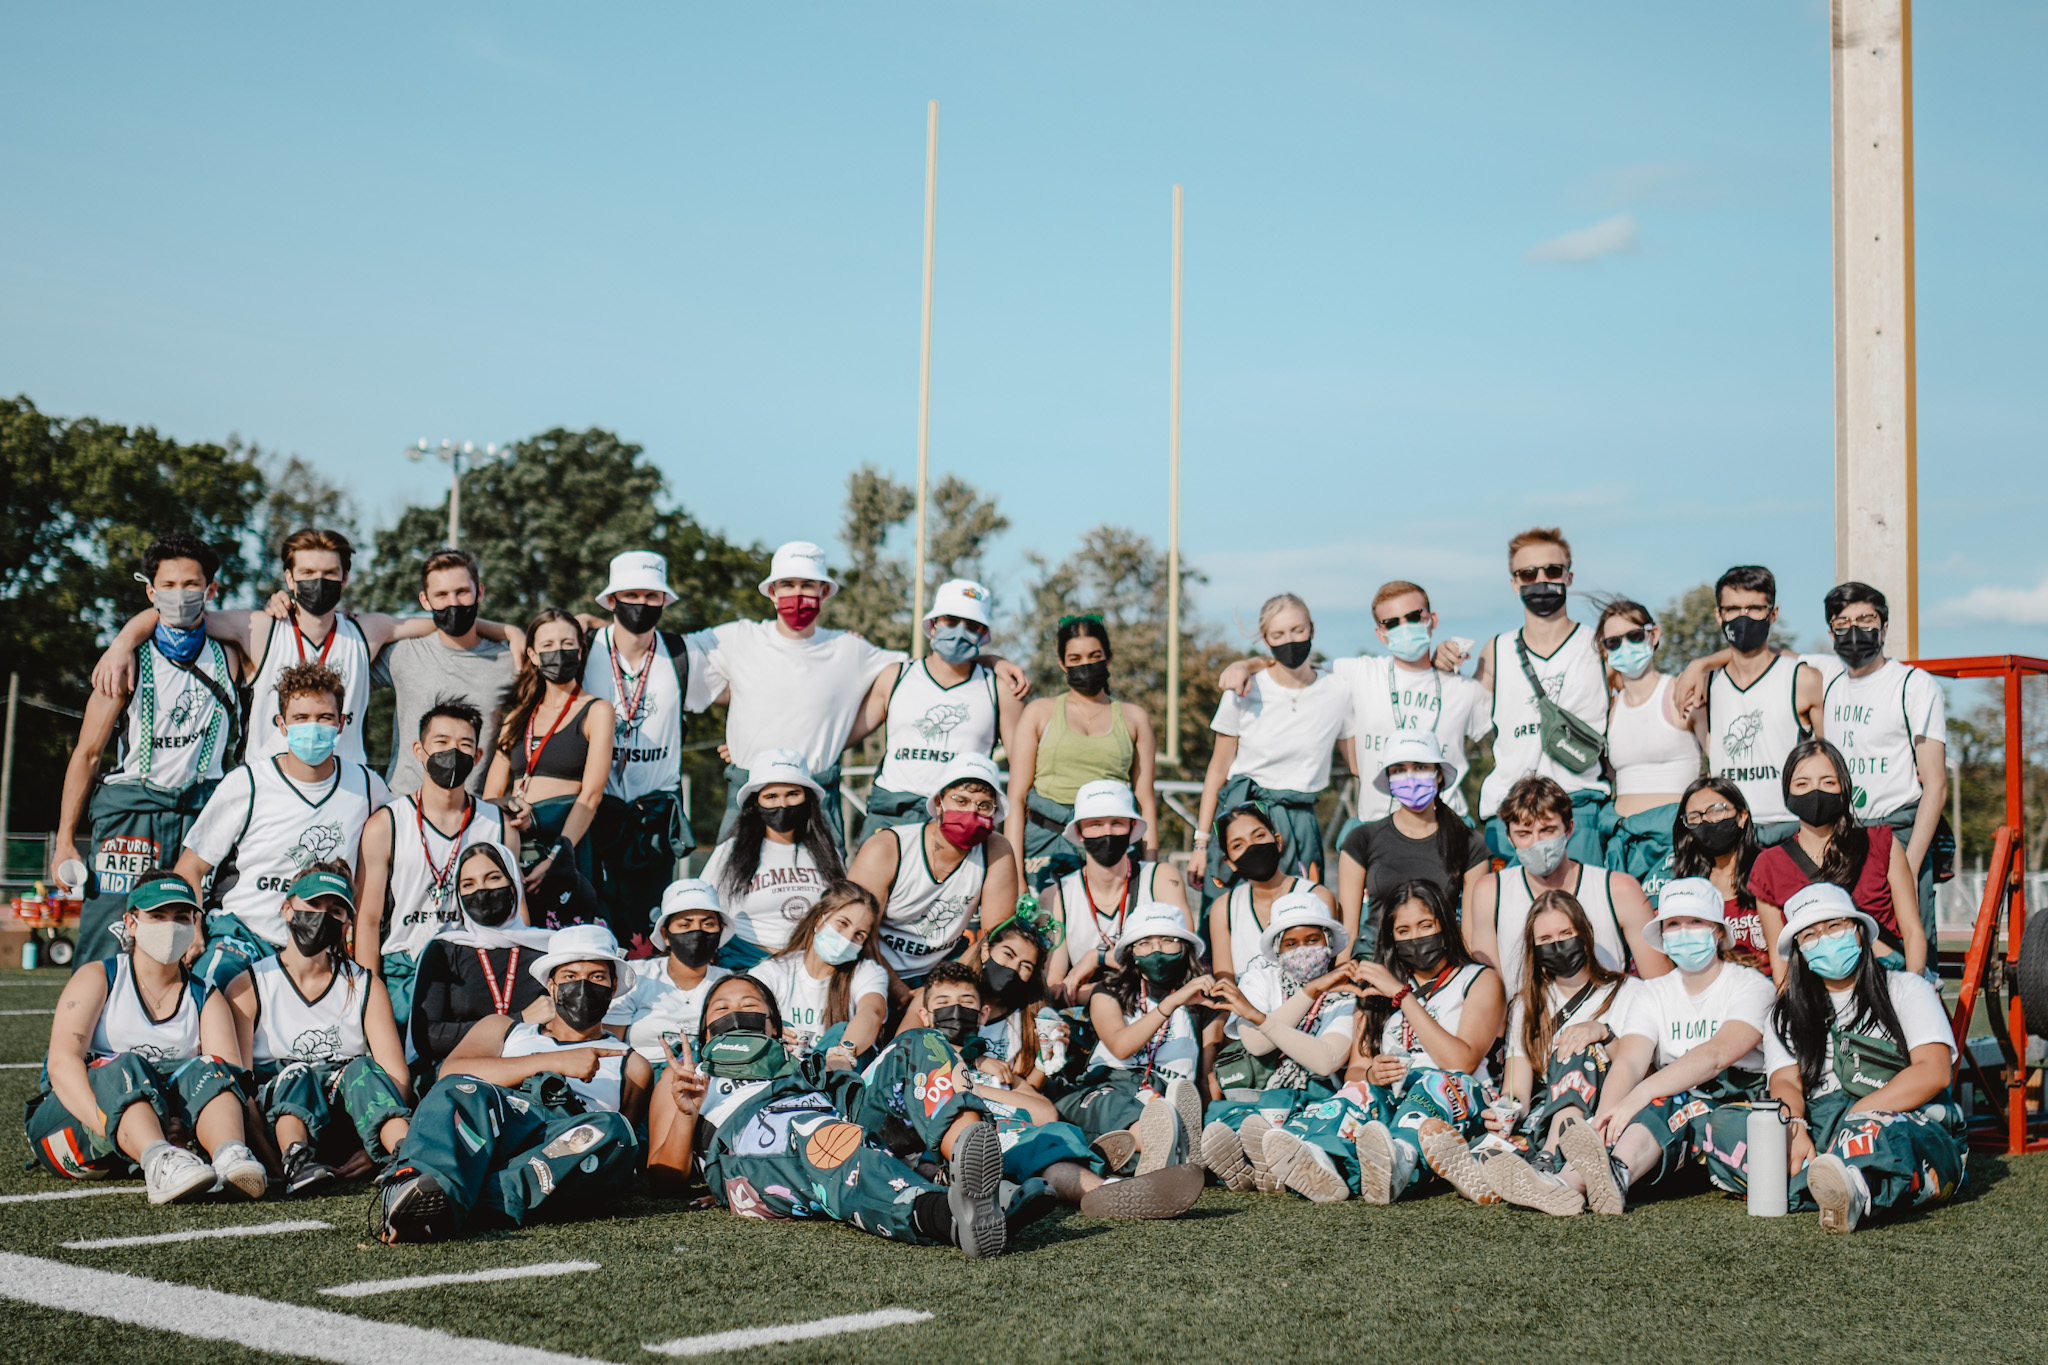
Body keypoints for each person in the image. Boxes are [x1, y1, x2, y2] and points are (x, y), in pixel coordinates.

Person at [644, 973, 1020, 1257]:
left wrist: (824, 1064)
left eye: (750, 1006)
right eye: (722, 1009)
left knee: (922, 1041)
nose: (737, 1013)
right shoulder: (688, 1077)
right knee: (823, 1134)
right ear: (705, 1032)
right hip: (763, 1142)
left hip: (836, 1123)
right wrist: (686, 1113)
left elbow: (855, 1099)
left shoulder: (802, 1063)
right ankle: (945, 1214)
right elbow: (664, 1180)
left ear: (775, 1025)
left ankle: (968, 1171)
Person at [689, 542, 1023, 852]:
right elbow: (672, 658)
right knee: (729, 891)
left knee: (830, 898)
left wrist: (992, 661)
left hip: (819, 794)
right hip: (751, 789)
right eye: (788, 585)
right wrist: (751, 742)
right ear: (772, 591)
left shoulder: (852, 650)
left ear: (824, 591)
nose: (798, 594)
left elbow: (937, 667)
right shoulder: (736, 638)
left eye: (807, 586)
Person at [1696, 883, 1965, 1233]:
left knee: (1877, 1136)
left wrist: (1857, 1118)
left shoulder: (1905, 988)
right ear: (1799, 952)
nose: (1824, 939)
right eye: (1809, 935)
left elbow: (1934, 1072)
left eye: (1834, 926)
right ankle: (1827, 1179)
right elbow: (1785, 1081)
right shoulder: (1785, 1013)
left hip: (1901, 1120)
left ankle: (1848, 1188)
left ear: (1858, 932)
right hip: (1820, 1123)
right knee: (1726, 1124)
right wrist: (1792, 1124)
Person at [371, 924, 648, 1242]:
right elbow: (452, 1074)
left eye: (597, 977)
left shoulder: (632, 1063)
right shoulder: (504, 1028)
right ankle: (422, 1192)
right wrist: (552, 1062)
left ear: (613, 986)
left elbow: (616, 1152)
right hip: (501, 1119)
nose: (583, 986)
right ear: (552, 985)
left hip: (557, 1147)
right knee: (462, 1089)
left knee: (615, 1131)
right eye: (570, 976)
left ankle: (442, 1200)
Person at [90, 527, 454, 769]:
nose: (318, 582)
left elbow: (447, 620)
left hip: (346, 789)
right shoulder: (260, 628)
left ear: (345, 578)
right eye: (308, 574)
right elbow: (176, 612)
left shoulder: (366, 630)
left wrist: (506, 631)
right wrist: (121, 644)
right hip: (268, 790)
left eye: (329, 574)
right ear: (290, 578)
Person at [53, 533, 246, 964]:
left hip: (203, 814)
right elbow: (86, 754)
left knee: (196, 941)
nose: (180, 595)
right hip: (130, 811)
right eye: (169, 585)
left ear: (211, 590)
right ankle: (89, 1029)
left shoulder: (233, 655)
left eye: (192, 585)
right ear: (150, 591)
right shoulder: (124, 663)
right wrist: (65, 839)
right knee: (112, 935)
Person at [881, 961, 1203, 1218]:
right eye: (943, 1002)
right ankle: (1118, 1182)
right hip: (964, 1153)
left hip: (1019, 1141)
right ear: (925, 1015)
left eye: (966, 1001)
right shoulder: (917, 1063)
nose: (955, 1009)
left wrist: (978, 1080)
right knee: (1045, 1151)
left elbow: (1044, 1112)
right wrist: (970, 1088)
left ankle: (1117, 1189)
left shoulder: (997, 1067)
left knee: (1051, 1140)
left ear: (982, 1015)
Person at [26, 873, 268, 1202]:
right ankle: (158, 1158)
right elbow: (61, 1066)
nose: (170, 926)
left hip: (172, 1134)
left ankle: (230, 1156)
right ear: (131, 922)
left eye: (181, 917)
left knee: (215, 1068)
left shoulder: (204, 996)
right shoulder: (99, 976)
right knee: (126, 1065)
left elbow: (229, 1080)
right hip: (79, 1128)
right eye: (157, 915)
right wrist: (108, 1125)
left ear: (195, 922)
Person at [1544, 878, 1777, 1215]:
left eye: (1695, 922)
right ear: (1663, 936)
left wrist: (1636, 1098)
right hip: (1672, 1112)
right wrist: (1606, 1120)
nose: (1684, 931)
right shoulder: (1652, 993)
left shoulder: (1751, 986)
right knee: (1664, 1099)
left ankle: (1582, 1180)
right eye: (1673, 924)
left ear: (1718, 931)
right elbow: (1629, 1063)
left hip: (1736, 1103)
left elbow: (1716, 1056)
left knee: (1668, 1098)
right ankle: (1591, 1174)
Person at [178, 663, 390, 988]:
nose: (313, 727)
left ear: (342, 724)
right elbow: (190, 868)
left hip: (322, 945)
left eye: (324, 718)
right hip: (246, 935)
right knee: (209, 997)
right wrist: (193, 931)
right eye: (301, 718)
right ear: (282, 724)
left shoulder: (367, 787)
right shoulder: (247, 783)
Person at [1219, 579, 1490, 828]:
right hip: (1378, 827)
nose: (1404, 627)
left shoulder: (1464, 689)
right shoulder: (1357, 673)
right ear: (1380, 634)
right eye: (1392, 623)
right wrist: (1244, 665)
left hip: (1449, 825)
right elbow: (1293, 665)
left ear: (1432, 619)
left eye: (1414, 617)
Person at [221, 864, 412, 1195]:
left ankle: (405, 1156)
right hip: (279, 1126)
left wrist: (370, 1150)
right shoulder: (249, 985)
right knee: (296, 1073)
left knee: (363, 1069)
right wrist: (270, 1161)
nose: (323, 916)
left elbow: (397, 1078)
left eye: (335, 910)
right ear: (287, 909)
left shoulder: (366, 985)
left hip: (349, 1123)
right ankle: (297, 1161)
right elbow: (241, 1089)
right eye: (313, 905)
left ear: (345, 923)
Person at [1324, 880, 1505, 1205]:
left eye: (1425, 925)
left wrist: (1402, 996)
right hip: (1395, 1103)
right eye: (1403, 930)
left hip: (1461, 1102)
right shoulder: (1375, 987)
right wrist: (1372, 1075)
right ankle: (1318, 1157)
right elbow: (1356, 1070)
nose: (1415, 937)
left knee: (1435, 1082)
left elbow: (1461, 1062)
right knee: (1356, 1093)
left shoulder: (1480, 979)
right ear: (1391, 937)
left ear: (1445, 926)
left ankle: (1400, 1160)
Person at [1471, 888, 1645, 1217]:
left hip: (1604, 1113)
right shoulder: (1527, 1003)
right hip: (1545, 1111)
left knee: (1578, 1047)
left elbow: (1639, 1065)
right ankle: (1500, 1176)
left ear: (1586, 934)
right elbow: (1517, 1088)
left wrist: (1602, 1033)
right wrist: (1505, 1111)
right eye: (1546, 938)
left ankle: (1549, 1159)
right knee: (1485, 1146)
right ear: (1534, 948)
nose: (1558, 944)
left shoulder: (1628, 991)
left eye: (1567, 934)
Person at [1449, 528, 1612, 868]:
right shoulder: (1496, 650)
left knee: (1584, 917)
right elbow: (1465, 724)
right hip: (1511, 812)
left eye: (1552, 571)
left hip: (1578, 806)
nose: (1541, 580)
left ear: (1569, 575)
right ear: (1514, 582)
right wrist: (1441, 667)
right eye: (1528, 573)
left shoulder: (1599, 645)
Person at [579, 553, 720, 939]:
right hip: (595, 811)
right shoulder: (583, 646)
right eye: (631, 594)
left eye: (651, 596)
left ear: (664, 601)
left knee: (649, 933)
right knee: (596, 929)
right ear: (611, 600)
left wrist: (739, 742)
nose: (640, 604)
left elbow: (744, 688)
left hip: (654, 820)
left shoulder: (682, 654)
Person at [1812, 582, 1948, 967]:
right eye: (1843, 622)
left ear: (1884, 627)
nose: (1855, 630)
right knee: (1843, 953)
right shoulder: (1827, 683)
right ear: (1830, 631)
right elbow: (1764, 656)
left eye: (1866, 620)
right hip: (1845, 834)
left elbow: (1935, 785)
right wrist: (1702, 665)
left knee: (1908, 954)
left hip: (1898, 831)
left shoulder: (1913, 685)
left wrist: (1908, 863)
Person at [357, 700, 511, 1027]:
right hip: (405, 966)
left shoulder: (498, 824)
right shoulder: (386, 824)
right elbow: (368, 921)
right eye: (441, 743)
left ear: (478, 757)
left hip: (475, 964)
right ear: (419, 750)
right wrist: (368, 995)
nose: (452, 752)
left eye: (464, 745)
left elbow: (516, 916)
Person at [1196, 895, 1360, 1195]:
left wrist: (1259, 1016)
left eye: (1312, 940)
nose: (1303, 950)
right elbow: (1256, 1043)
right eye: (1291, 943)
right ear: (1277, 949)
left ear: (1328, 943)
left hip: (1318, 1098)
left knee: (1321, 1125)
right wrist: (1311, 992)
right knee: (1235, 1124)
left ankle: (1265, 1166)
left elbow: (1326, 1061)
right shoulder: (1259, 979)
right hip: (1260, 1096)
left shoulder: (1347, 991)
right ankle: (1264, 1167)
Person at [1193, 594, 1353, 893]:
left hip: (1300, 822)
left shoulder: (1338, 690)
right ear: (1266, 641)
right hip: (1243, 818)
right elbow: (1217, 769)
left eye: (1297, 630)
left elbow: (1357, 764)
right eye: (1278, 635)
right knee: (1228, 915)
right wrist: (1201, 843)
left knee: (1302, 919)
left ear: (1312, 629)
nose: (1289, 640)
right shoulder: (1244, 689)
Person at [1465, 776, 1666, 1002]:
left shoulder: (1619, 889)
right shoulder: (1490, 892)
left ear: (1569, 829)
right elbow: (1490, 992)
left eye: (1548, 830)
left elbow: (1660, 986)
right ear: (1509, 838)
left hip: (1607, 1026)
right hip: (1525, 1028)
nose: (1536, 843)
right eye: (1524, 834)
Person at [1054, 903, 1214, 1177]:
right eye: (1145, 943)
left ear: (1185, 948)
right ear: (1132, 952)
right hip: (1109, 1085)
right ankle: (1168, 1145)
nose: (1157, 950)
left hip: (1167, 1091)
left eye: (1169, 941)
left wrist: (1208, 1117)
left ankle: (1167, 1147)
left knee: (1158, 1114)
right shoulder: (1108, 991)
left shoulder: (1202, 1002)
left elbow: (1206, 1077)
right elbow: (1121, 1045)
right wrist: (1173, 1002)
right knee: (1115, 1106)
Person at [849, 754, 1019, 1004]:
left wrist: (943, 987)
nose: (971, 813)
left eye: (983, 806)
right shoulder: (887, 848)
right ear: (939, 803)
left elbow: (993, 935)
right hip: (872, 964)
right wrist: (899, 991)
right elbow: (856, 931)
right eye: (961, 801)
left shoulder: (996, 849)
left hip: (942, 970)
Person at [1005, 614, 1160, 890]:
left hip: (1111, 844)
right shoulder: (1039, 713)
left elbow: (1145, 801)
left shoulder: (1134, 718)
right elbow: (1016, 800)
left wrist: (1149, 872)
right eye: (1075, 659)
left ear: (1108, 657)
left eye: (1094, 655)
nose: (1085, 664)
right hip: (1046, 844)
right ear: (1062, 664)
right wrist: (1015, 877)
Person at [484, 607, 614, 931]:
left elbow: (592, 795)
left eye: (568, 643)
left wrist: (559, 856)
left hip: (566, 844)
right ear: (532, 654)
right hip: (516, 845)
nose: (559, 652)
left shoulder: (597, 710)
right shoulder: (516, 717)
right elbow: (490, 794)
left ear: (581, 650)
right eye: (548, 645)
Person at [1746, 739, 1922, 978]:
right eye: (1802, 783)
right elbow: (1781, 961)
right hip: (1815, 992)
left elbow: (1912, 932)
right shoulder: (1769, 865)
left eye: (1828, 782)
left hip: (1884, 979)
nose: (1815, 791)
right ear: (1787, 791)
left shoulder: (1882, 844)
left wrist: (1914, 988)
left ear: (1845, 786)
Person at [1677, 565, 1826, 847]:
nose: (1743, 618)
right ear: (1718, 615)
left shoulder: (1802, 679)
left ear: (1773, 613)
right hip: (1728, 828)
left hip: (1789, 826)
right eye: (1733, 609)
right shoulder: (1703, 688)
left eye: (1754, 609)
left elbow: (1832, 758)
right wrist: (1699, 665)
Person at [860, 578, 1022, 832]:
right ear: (933, 624)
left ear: (983, 633)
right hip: (892, 816)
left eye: (971, 625)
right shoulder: (895, 676)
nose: (959, 631)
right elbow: (840, 735)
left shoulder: (1000, 689)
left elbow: (1021, 773)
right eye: (951, 621)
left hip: (961, 822)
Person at [375, 548, 521, 798]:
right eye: (441, 595)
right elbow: (341, 676)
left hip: (470, 813)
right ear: (425, 600)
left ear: (480, 592)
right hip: (402, 805)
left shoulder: (509, 662)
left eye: (462, 592)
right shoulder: (402, 654)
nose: (453, 603)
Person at [1333, 732, 1490, 958]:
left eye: (1420, 767)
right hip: (1377, 962)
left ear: (1438, 774)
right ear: (1388, 778)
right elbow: (1348, 929)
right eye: (1399, 770)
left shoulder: (1468, 842)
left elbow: (1471, 932)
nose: (1410, 777)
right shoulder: (1361, 839)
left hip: (1441, 965)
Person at [1042, 779, 1189, 1007]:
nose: (1107, 833)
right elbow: (1056, 990)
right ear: (1079, 832)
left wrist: (1098, 958)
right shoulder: (1057, 895)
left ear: (1132, 827)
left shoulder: (1161, 879)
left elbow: (1180, 965)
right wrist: (1135, 978)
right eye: (1096, 824)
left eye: (1117, 823)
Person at [1593, 598, 1702, 899]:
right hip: (1623, 845)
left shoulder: (1681, 693)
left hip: (1675, 842)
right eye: (1614, 642)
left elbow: (1717, 766)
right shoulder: (1609, 710)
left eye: (1634, 636)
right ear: (1604, 650)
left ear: (1654, 635)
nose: (1625, 647)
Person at [409, 842, 556, 1066]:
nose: (481, 891)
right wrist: (519, 1020)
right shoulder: (444, 950)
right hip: (464, 1075)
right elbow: (428, 1037)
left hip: (537, 1070)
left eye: (493, 878)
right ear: (458, 895)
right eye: (468, 884)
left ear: (513, 881)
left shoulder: (548, 949)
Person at [700, 749, 845, 970]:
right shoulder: (730, 852)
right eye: (771, 797)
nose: (783, 804)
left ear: (808, 798)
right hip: (746, 963)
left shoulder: (828, 853)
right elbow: (703, 905)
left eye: (792, 794)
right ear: (755, 803)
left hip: (814, 965)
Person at [1206, 801, 1340, 990]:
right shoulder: (1224, 908)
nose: (1252, 847)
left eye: (1259, 835)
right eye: (1238, 845)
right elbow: (1225, 981)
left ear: (1277, 841)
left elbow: (1333, 967)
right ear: (1230, 862)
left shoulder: (1317, 896)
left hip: (1312, 1012)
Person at [751, 882, 892, 1057]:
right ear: (819, 918)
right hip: (783, 1069)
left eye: (859, 935)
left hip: (836, 1071)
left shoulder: (867, 971)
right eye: (842, 923)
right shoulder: (774, 971)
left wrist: (843, 1055)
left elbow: (872, 1011)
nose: (848, 938)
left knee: (840, 1031)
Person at [606, 878, 733, 1068]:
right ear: (665, 934)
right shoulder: (637, 977)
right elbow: (610, 1043)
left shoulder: (732, 984)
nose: (697, 933)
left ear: (720, 931)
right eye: (685, 925)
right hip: (643, 1080)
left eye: (707, 924)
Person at [1668, 776, 1769, 970]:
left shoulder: (1768, 867)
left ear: (1741, 816)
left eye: (1717, 810)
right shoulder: (1687, 884)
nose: (1707, 820)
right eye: (1695, 816)